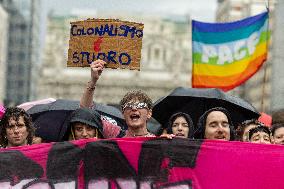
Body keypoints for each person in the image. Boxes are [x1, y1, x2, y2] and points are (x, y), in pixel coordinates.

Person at [80, 60, 155, 138]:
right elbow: (86, 112)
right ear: (123, 114)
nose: (134, 108)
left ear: (149, 113)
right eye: (128, 106)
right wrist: (93, 80)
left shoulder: (159, 142)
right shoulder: (114, 134)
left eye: (140, 105)